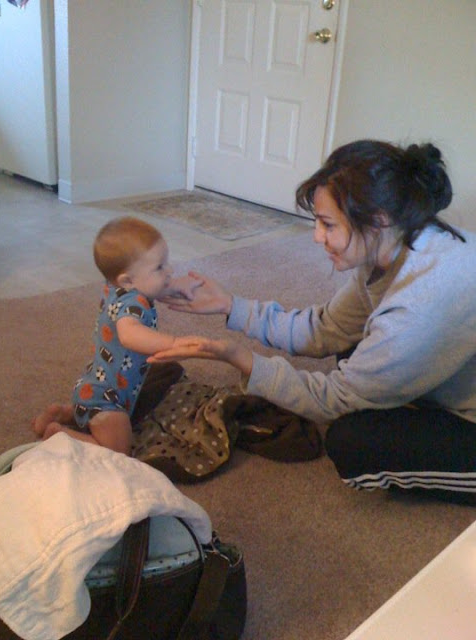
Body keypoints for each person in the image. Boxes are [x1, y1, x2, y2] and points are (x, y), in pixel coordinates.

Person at [151, 139, 476, 504]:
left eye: (327, 224)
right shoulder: (396, 242)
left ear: (379, 219)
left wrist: (238, 357)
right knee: (352, 347)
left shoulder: (419, 301)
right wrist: (230, 305)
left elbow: (334, 399)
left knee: (353, 443)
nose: (317, 236)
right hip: (439, 358)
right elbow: (326, 330)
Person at [32, 216, 200, 455]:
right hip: (107, 401)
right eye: (160, 267)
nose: (170, 270)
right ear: (127, 280)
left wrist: (177, 285)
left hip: (96, 389)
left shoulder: (118, 286)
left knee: (100, 419)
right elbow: (130, 335)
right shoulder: (131, 306)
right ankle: (59, 435)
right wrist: (173, 343)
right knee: (117, 451)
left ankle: (65, 413)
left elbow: (149, 287)